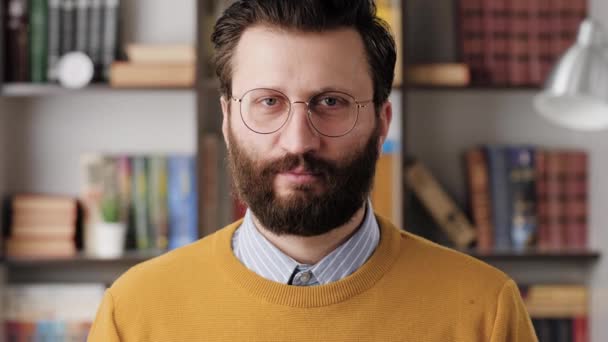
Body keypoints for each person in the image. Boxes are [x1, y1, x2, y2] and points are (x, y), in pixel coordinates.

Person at [88, 1, 538, 341]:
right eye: (268, 102)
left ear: (381, 123)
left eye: (332, 103)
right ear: (227, 121)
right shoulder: (134, 313)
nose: (299, 141)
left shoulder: (487, 312)